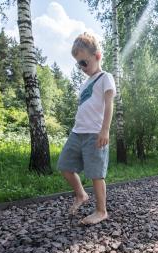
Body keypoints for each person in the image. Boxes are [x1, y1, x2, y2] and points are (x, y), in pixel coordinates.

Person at [57, 32, 116, 224]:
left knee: (96, 173)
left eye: (84, 62)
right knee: (64, 165)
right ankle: (81, 194)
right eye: (78, 64)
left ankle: (101, 211)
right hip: (77, 132)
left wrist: (105, 130)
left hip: (94, 133)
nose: (82, 67)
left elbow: (109, 105)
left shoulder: (105, 77)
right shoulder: (84, 84)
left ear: (97, 56)